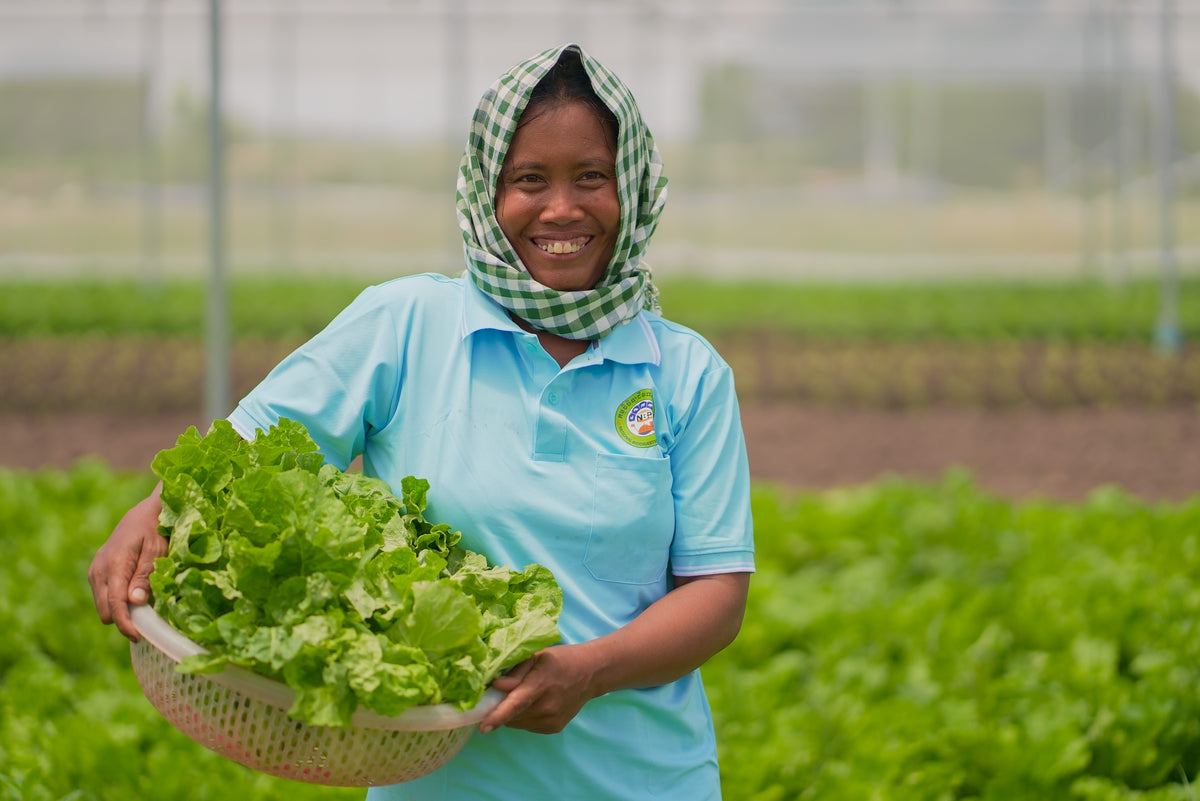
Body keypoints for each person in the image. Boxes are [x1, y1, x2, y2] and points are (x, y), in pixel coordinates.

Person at [89, 43, 755, 801]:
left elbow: (716, 594)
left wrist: (589, 669)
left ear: (630, 186)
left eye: (591, 177)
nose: (562, 208)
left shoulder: (686, 373)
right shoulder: (407, 325)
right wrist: (153, 511)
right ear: (486, 192)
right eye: (529, 179)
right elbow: (247, 450)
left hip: (645, 781)